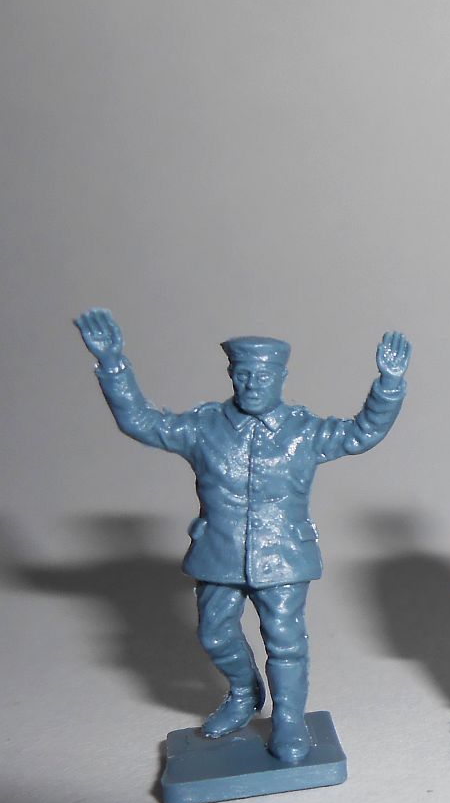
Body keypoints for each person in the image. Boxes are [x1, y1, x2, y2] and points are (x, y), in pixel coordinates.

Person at [74, 308, 410, 762]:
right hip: (219, 553)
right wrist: (114, 363)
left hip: (284, 555)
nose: (252, 384)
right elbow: (142, 422)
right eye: (243, 374)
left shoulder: (304, 431)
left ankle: (289, 720)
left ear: (281, 378)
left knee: (285, 642)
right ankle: (243, 692)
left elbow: (360, 433)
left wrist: (388, 384)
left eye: (263, 376)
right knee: (214, 634)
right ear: (231, 375)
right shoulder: (203, 427)